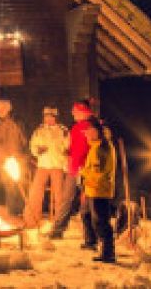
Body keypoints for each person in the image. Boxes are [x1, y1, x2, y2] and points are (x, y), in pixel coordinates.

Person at [50, 100, 98, 239]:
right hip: (73, 169)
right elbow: (74, 148)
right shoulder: (76, 127)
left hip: (86, 170)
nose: (72, 113)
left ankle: (92, 235)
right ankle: (57, 230)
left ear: (84, 112)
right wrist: (68, 155)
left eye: (75, 111)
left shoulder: (91, 127)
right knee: (67, 199)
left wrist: (84, 166)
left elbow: (91, 149)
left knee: (88, 202)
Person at [24, 106, 68, 230]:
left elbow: (68, 146)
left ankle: (59, 221)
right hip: (43, 165)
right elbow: (33, 146)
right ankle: (31, 219)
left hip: (57, 165)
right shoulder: (39, 131)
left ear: (55, 118)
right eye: (46, 117)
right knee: (35, 192)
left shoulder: (63, 130)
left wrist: (65, 154)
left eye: (50, 117)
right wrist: (37, 151)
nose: (48, 119)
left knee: (59, 194)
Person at [81, 124, 117, 262]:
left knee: (101, 222)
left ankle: (108, 253)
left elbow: (98, 173)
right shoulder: (96, 146)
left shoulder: (101, 149)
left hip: (99, 190)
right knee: (89, 216)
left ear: (97, 132)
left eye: (88, 131)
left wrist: (83, 173)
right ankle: (95, 244)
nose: (86, 134)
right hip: (93, 188)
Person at [0, 98, 27, 216]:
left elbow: (24, 140)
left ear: (9, 109)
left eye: (2, 108)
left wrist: (22, 156)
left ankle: (20, 212)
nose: (0, 110)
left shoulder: (17, 123)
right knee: (8, 187)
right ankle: (12, 213)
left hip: (16, 159)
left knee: (18, 186)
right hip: (3, 160)